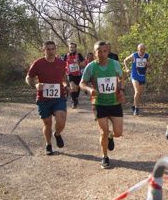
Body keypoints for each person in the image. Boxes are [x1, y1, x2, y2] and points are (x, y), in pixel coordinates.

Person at [80, 41, 125, 169]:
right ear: (95, 53)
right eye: (99, 51)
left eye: (104, 51)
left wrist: (121, 90)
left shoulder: (115, 64)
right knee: (103, 132)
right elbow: (82, 83)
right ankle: (105, 157)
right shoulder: (91, 67)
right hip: (99, 103)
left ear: (108, 52)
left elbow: (121, 78)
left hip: (114, 102)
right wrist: (89, 90)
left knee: (118, 132)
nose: (102, 54)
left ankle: (112, 136)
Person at [26, 41, 68, 155]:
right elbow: (28, 78)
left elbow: (64, 78)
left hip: (58, 97)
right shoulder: (38, 63)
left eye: (52, 49)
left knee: (61, 120)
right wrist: (35, 85)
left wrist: (65, 85)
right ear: (43, 50)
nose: (50, 51)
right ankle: (48, 144)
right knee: (47, 123)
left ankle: (57, 134)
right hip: (43, 99)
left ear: (55, 50)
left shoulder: (61, 63)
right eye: (48, 49)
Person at [123, 43, 149, 116]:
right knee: (137, 92)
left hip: (142, 76)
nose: (142, 51)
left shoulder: (146, 56)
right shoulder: (134, 55)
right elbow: (125, 60)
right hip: (134, 76)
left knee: (139, 94)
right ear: (138, 49)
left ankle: (134, 105)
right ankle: (136, 109)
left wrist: (149, 67)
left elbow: (147, 64)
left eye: (144, 49)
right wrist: (127, 68)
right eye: (141, 49)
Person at [62, 42, 85, 109]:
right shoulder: (66, 55)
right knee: (72, 87)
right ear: (69, 48)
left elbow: (83, 65)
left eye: (73, 47)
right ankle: (74, 102)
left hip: (78, 74)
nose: (71, 48)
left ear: (75, 48)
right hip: (70, 74)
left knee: (77, 88)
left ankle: (76, 97)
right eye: (70, 47)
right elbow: (63, 64)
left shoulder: (79, 55)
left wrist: (78, 63)